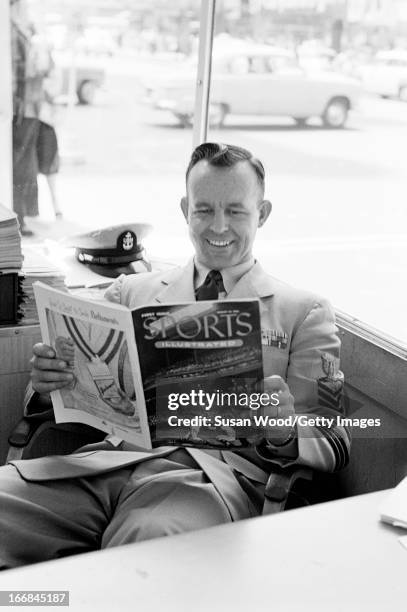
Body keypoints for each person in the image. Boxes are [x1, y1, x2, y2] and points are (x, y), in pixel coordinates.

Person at [0, 143, 350, 569]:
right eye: (204, 210)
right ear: (186, 210)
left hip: (207, 482)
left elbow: (335, 439)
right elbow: (51, 408)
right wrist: (46, 387)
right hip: (102, 465)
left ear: (263, 213)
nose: (218, 226)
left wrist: (284, 431)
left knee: (144, 554)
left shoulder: (305, 311)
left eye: (236, 211)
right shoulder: (130, 293)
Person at [10, 0, 53, 236]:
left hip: (28, 110)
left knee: (26, 165)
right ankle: (18, 217)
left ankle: (21, 215)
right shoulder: (13, 32)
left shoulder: (23, 32)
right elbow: (20, 74)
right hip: (21, 111)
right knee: (20, 166)